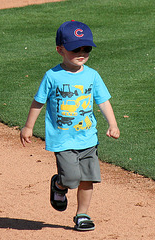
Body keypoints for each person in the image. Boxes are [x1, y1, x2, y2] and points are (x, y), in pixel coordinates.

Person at [20, 20, 120, 231]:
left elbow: (102, 100)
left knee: (88, 179)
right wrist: (28, 127)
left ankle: (82, 215)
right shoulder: (52, 76)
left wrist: (112, 123)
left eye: (87, 48)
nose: (82, 52)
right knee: (71, 178)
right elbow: (39, 101)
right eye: (76, 48)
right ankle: (59, 184)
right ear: (60, 50)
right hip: (62, 139)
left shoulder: (92, 75)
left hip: (88, 138)